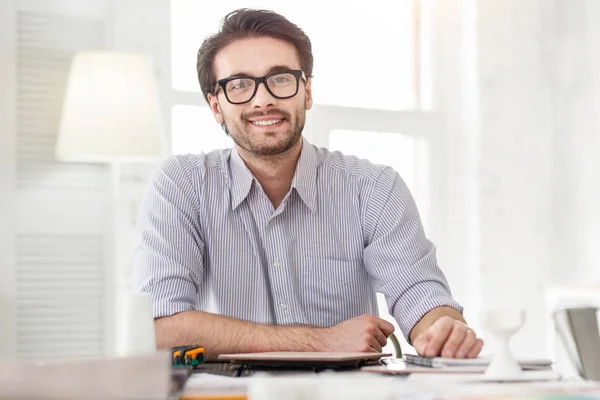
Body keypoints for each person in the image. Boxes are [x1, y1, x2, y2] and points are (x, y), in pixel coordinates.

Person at [132, 8, 483, 360]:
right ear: (216, 106)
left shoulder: (374, 187)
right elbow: (161, 329)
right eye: (239, 84)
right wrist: (320, 341)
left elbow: (418, 292)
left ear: (307, 91)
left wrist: (444, 328)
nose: (262, 99)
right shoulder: (181, 185)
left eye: (280, 79)